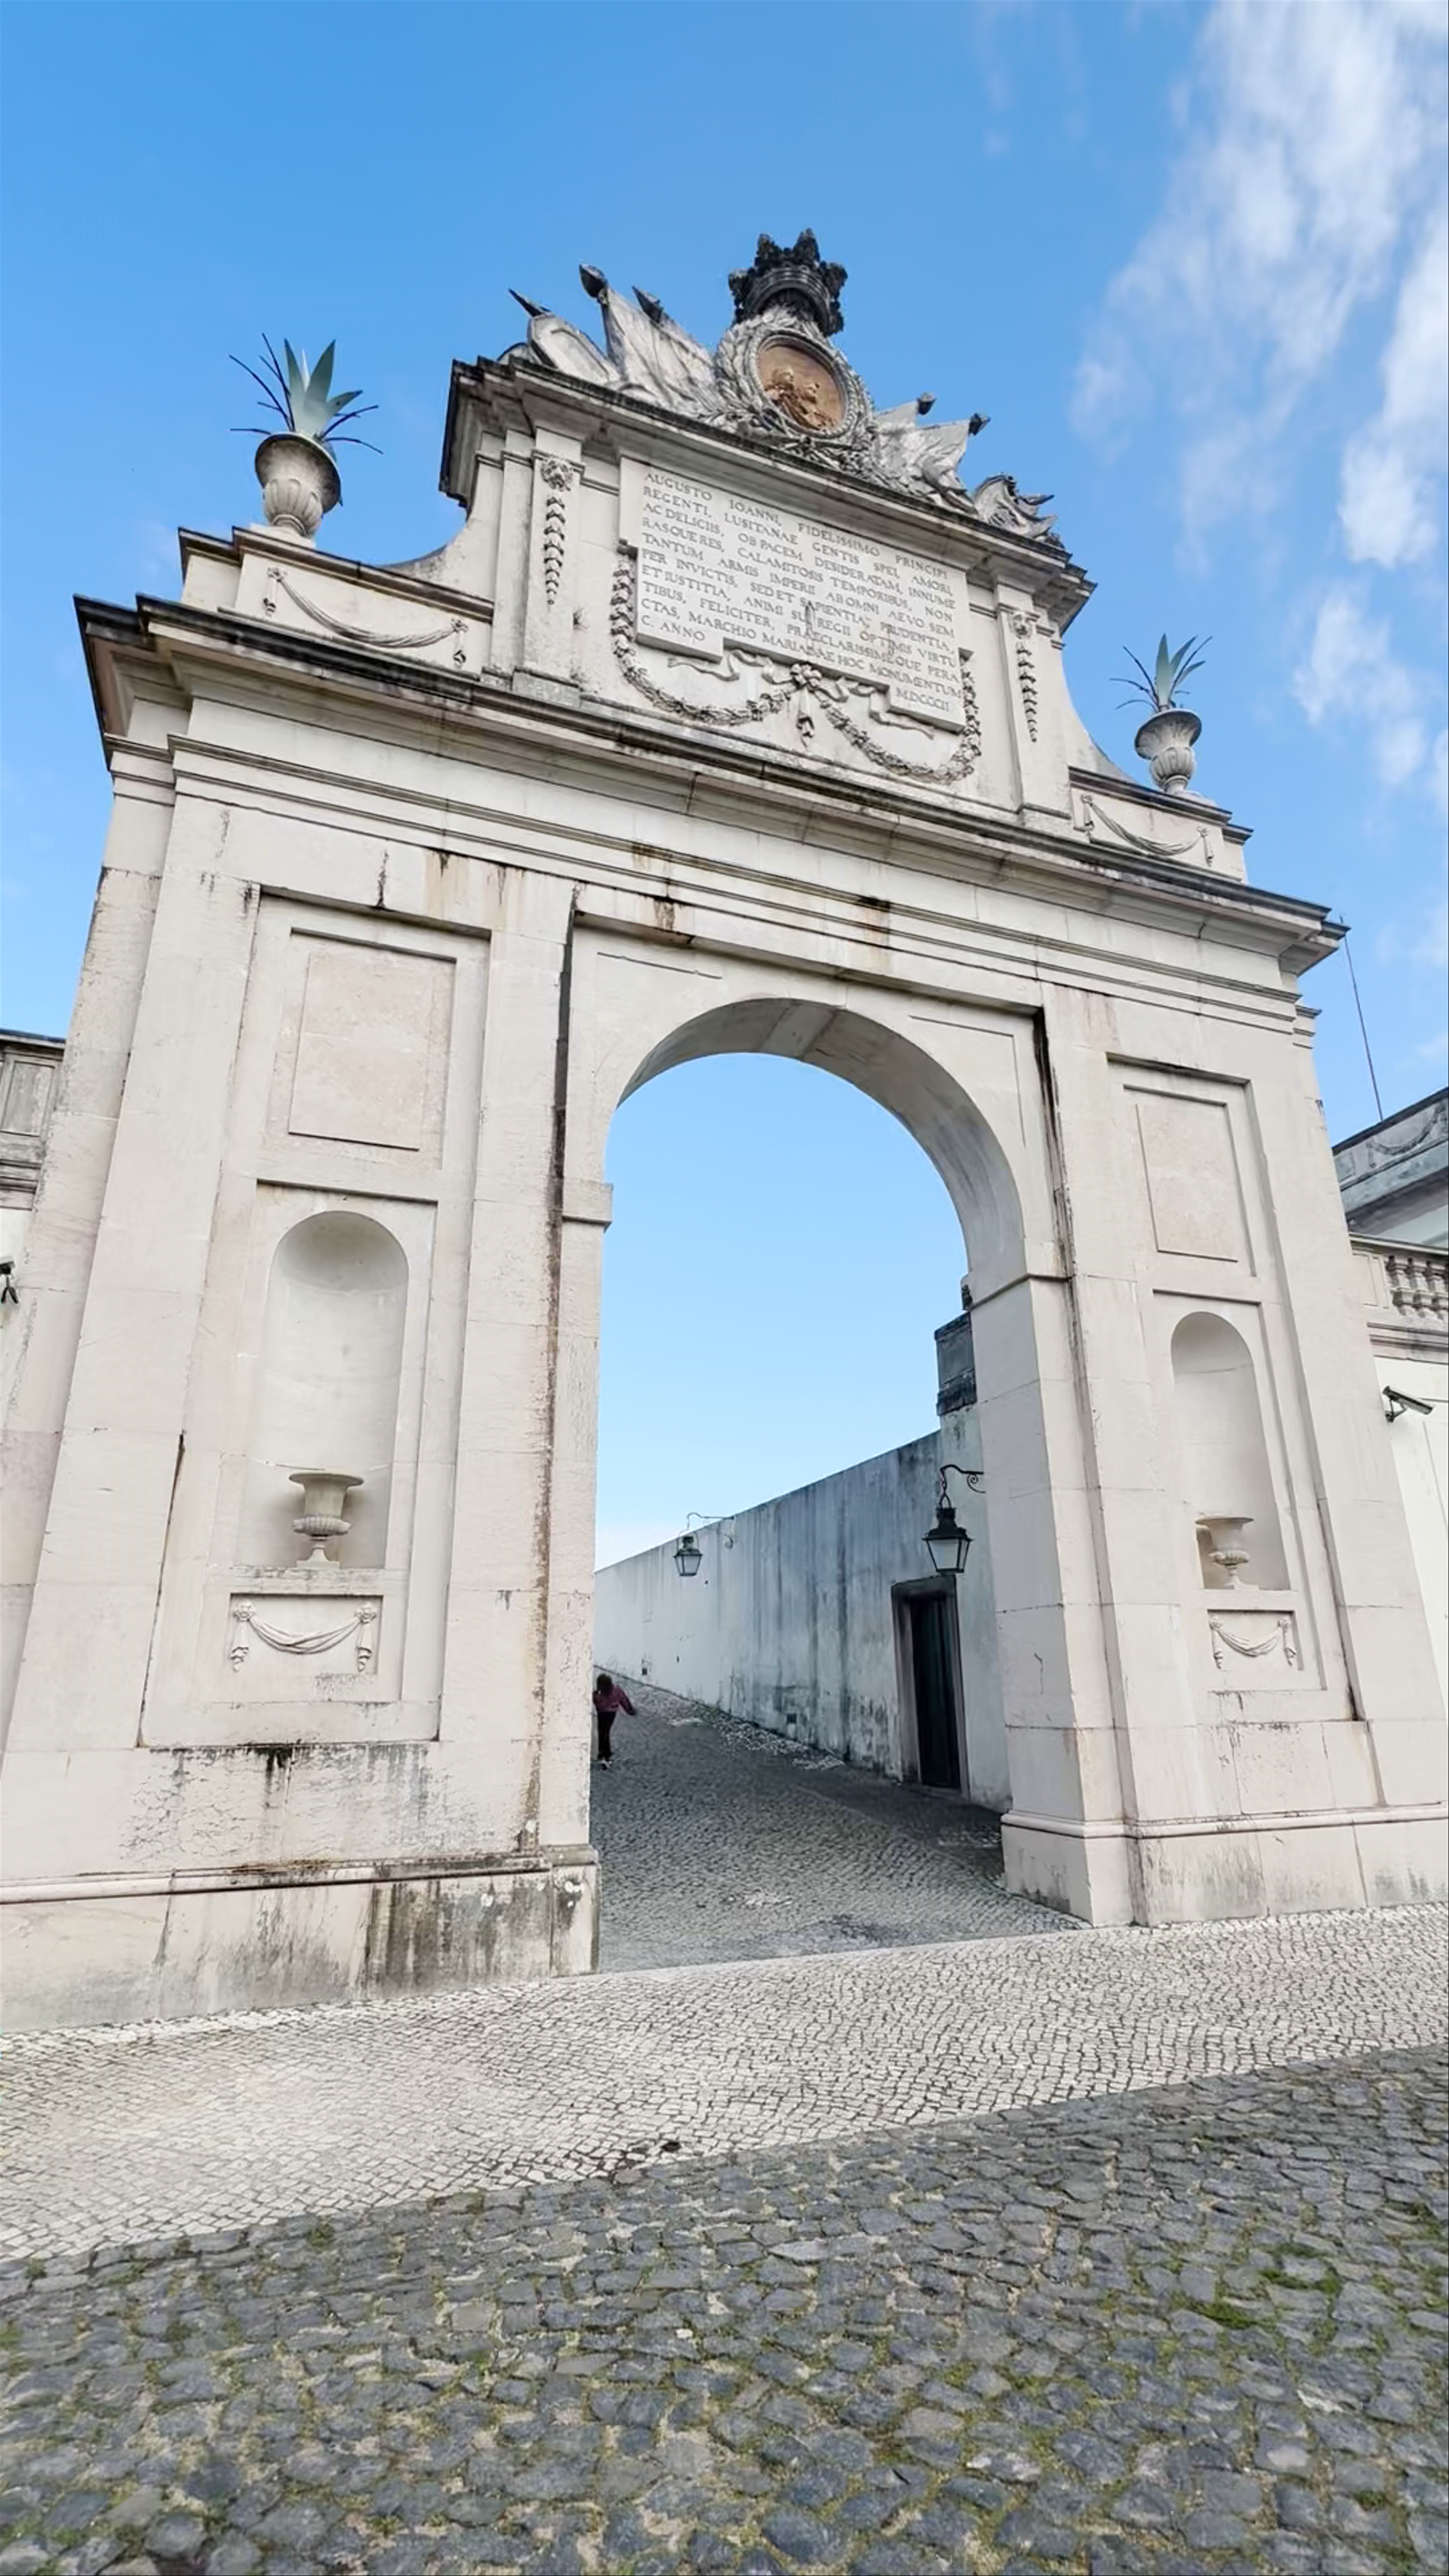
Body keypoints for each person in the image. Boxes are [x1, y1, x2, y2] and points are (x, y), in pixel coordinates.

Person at [592, 1672, 634, 1767]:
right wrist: (630, 1711)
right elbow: (624, 1700)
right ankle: (606, 1755)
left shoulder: (598, 1694)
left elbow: (595, 1701)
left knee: (602, 1732)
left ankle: (603, 1754)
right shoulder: (617, 1690)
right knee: (606, 1732)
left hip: (602, 1714)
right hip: (612, 1713)